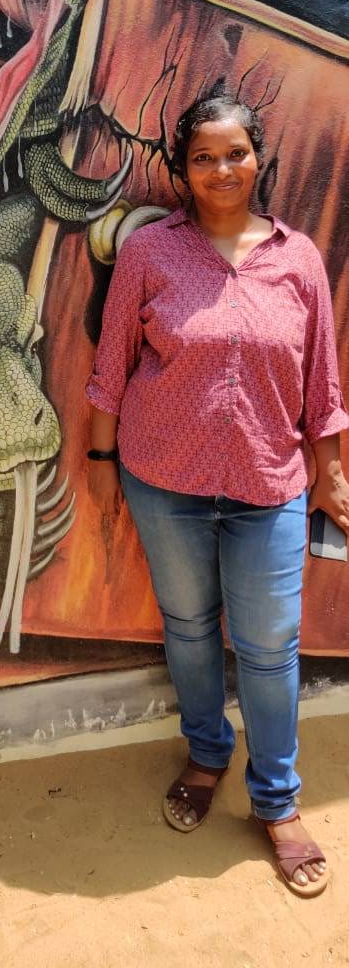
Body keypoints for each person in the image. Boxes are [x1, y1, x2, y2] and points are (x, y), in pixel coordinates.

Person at [86, 90, 349, 898]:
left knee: (268, 648)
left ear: (257, 158)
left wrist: (332, 473)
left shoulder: (297, 259)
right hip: (163, 480)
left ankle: (275, 800)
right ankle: (205, 755)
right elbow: (111, 364)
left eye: (235, 153)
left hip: (268, 484)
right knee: (190, 630)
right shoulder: (149, 252)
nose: (221, 169)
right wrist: (99, 466)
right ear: (182, 170)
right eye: (203, 157)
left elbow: (321, 383)